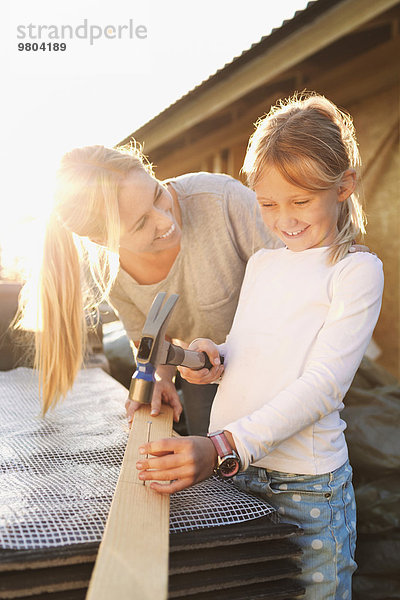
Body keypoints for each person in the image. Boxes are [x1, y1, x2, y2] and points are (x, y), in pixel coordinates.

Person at [134, 94, 384, 599]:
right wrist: (216, 358)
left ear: (344, 187)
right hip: (237, 475)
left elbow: (322, 387)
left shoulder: (355, 271)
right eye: (268, 204)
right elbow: (254, 351)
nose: (284, 219)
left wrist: (223, 447)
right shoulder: (264, 264)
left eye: (300, 201)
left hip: (304, 485)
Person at [14, 143, 281, 430]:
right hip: (202, 372)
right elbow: (154, 344)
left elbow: (300, 282)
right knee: (215, 463)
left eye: (157, 194)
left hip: (282, 354)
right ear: (105, 242)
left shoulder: (221, 201)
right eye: (141, 223)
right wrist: (161, 379)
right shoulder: (112, 272)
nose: (165, 220)